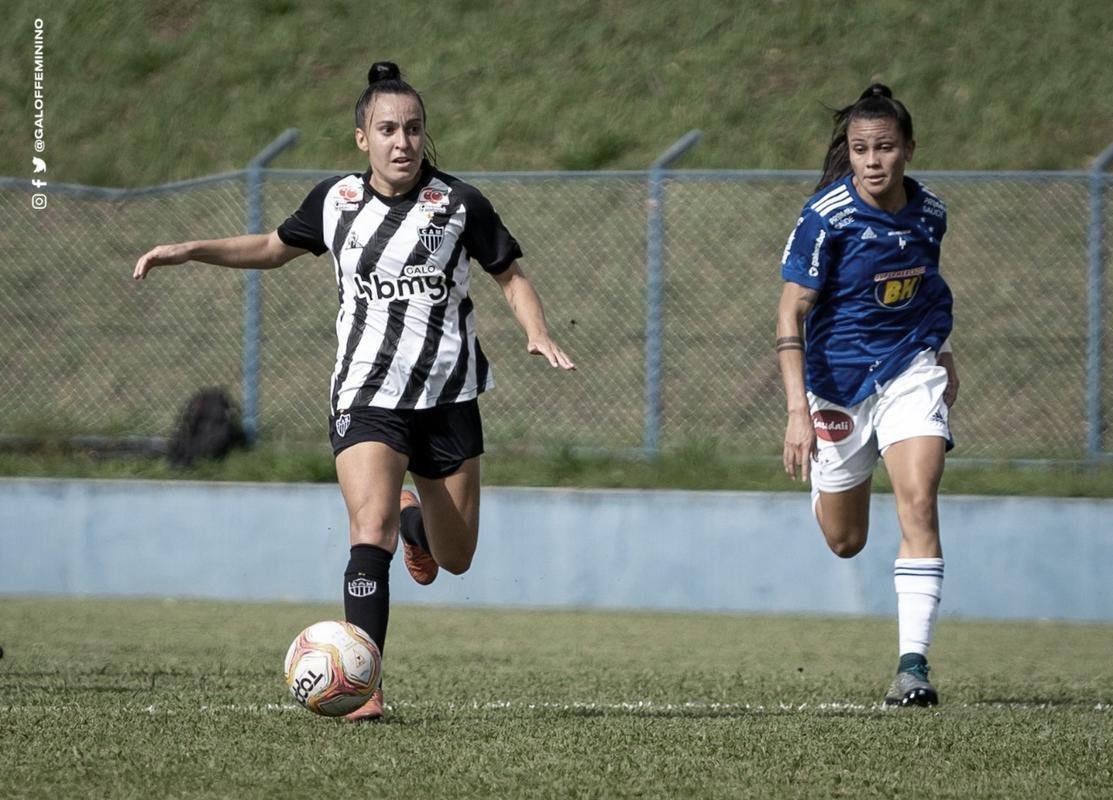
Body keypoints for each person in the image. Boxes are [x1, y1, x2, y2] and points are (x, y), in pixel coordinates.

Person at [134, 61, 575, 721]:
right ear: (362, 138)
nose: (402, 142)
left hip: (448, 398)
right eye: (388, 130)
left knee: (455, 557)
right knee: (368, 530)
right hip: (366, 394)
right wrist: (191, 248)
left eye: (413, 129)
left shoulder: (460, 204)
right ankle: (365, 690)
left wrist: (536, 332)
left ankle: (413, 521)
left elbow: (510, 275)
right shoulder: (335, 201)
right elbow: (271, 247)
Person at [775, 84, 958, 707]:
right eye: (860, 149)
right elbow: (790, 314)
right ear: (849, 152)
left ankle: (913, 668)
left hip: (910, 371)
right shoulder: (826, 217)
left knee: (919, 499)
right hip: (838, 385)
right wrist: (798, 412)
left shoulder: (930, 213)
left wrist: (942, 351)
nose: (873, 161)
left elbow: (926, 287)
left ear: (909, 148)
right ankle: (834, 481)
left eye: (885, 147)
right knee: (845, 540)